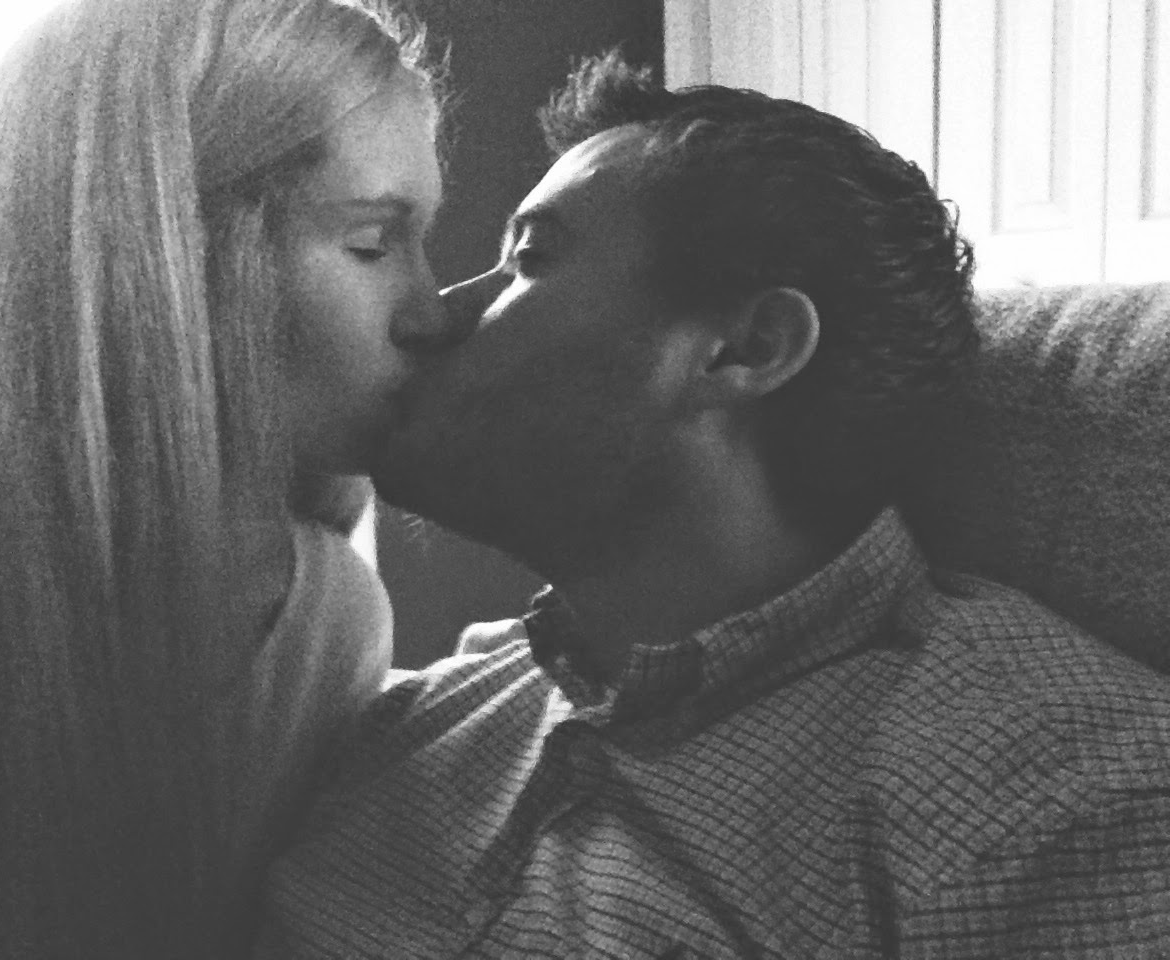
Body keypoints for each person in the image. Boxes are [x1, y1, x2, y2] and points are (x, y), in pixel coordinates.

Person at [255, 53, 1170, 958]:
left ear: (747, 348)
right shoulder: (424, 715)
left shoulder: (1058, 798)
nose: (438, 314)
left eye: (530, 260)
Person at [0, 0, 463, 957]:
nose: (432, 313)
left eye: (422, 240)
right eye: (372, 242)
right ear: (172, 249)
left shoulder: (327, 621)